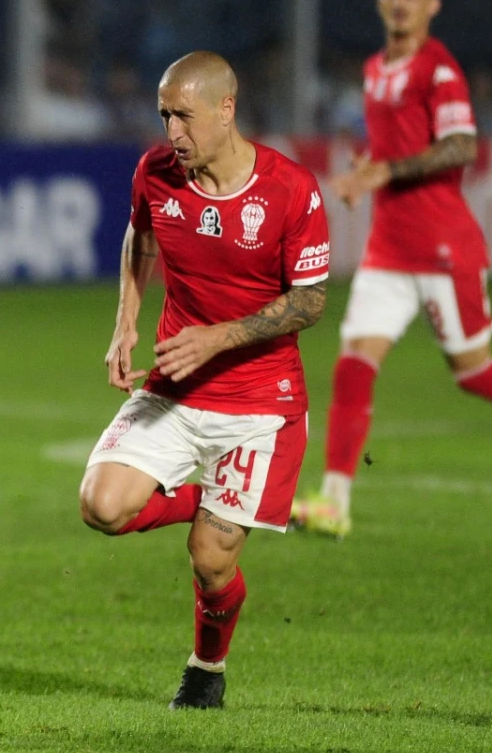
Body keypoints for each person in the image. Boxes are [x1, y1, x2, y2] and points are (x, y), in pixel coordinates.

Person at [290, 0, 492, 539]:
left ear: (434, 4)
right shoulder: (375, 69)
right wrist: (370, 169)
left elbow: (461, 146)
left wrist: (386, 170)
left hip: (442, 247)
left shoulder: (440, 70)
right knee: (354, 360)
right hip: (390, 247)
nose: (400, 2)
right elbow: (395, 146)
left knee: (472, 370)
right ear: (379, 2)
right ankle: (334, 501)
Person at [80, 51, 329, 709]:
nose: (172, 132)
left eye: (184, 116)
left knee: (211, 559)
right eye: (164, 115)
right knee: (101, 506)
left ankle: (206, 669)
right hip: (175, 388)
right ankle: (211, 497)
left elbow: (310, 300)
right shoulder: (157, 172)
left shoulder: (289, 189)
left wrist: (220, 335)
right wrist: (126, 320)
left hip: (260, 406)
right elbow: (141, 235)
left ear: (226, 110)